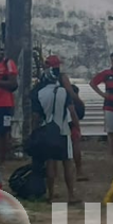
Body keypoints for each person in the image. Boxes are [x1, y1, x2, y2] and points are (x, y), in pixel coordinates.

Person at [35, 57, 80, 203]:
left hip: (47, 131)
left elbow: (36, 116)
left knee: (50, 163)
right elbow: (72, 112)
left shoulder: (40, 93)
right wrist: (77, 127)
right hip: (63, 131)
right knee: (67, 163)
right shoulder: (63, 92)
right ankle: (71, 195)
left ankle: (51, 195)